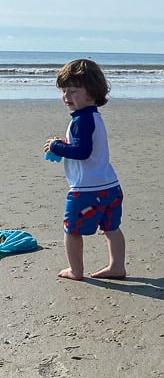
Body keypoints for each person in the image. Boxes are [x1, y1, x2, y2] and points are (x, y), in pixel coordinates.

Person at [44, 59, 126, 281]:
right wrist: (65, 144)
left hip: (87, 191)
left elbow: (82, 152)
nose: (66, 96)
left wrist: (55, 146)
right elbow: (85, 147)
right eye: (64, 91)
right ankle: (117, 266)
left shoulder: (83, 120)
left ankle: (75, 270)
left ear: (92, 93)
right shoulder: (93, 117)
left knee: (72, 230)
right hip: (110, 187)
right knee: (111, 228)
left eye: (73, 91)